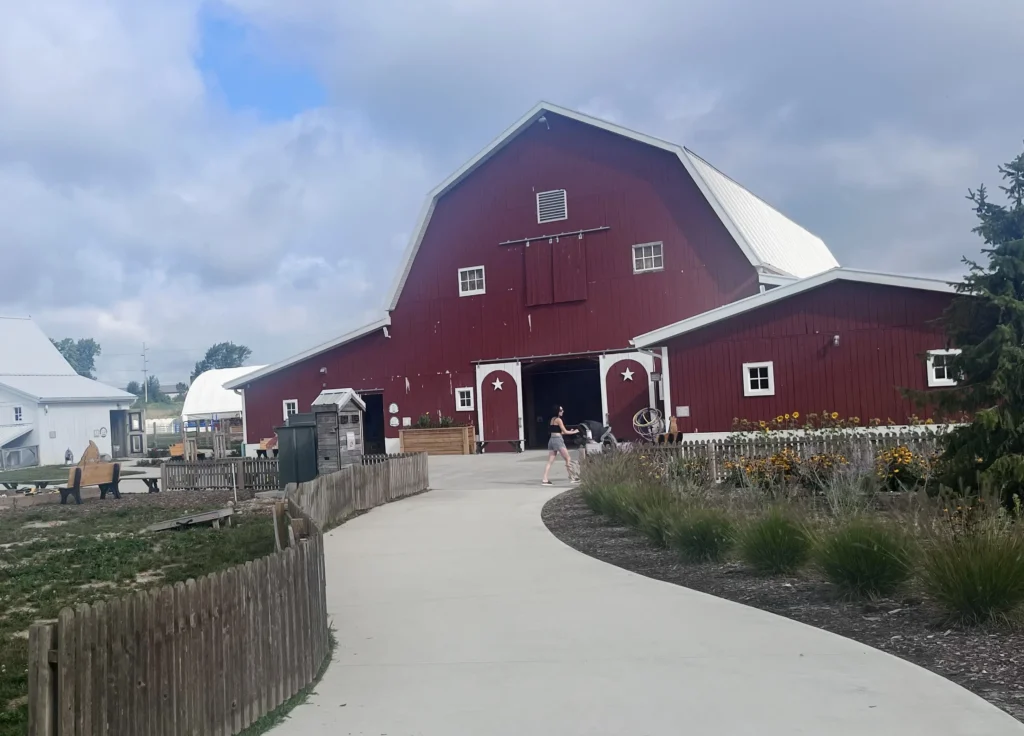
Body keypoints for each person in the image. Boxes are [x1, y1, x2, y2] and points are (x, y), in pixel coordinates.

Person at [542, 405, 580, 485]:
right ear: (557, 411)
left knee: (550, 461)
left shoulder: (552, 419)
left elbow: (559, 431)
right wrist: (575, 431)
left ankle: (545, 479)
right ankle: (572, 477)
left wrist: (570, 430)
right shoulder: (559, 420)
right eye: (561, 410)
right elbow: (565, 432)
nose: (562, 411)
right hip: (558, 441)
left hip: (551, 440)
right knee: (568, 458)